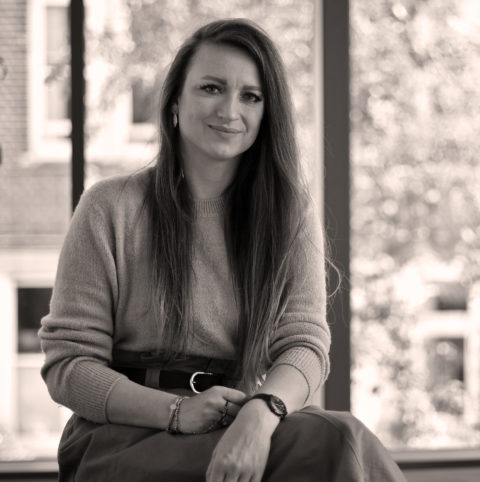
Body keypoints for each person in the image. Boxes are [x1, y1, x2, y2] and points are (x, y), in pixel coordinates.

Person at [39, 18, 406, 482]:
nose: (230, 110)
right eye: (211, 88)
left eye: (251, 96)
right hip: (123, 436)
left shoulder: (289, 214)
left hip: (234, 424)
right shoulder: (109, 206)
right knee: (336, 444)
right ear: (174, 101)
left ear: (267, 113)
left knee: (339, 438)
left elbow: (305, 345)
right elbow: (69, 365)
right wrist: (177, 411)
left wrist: (261, 414)